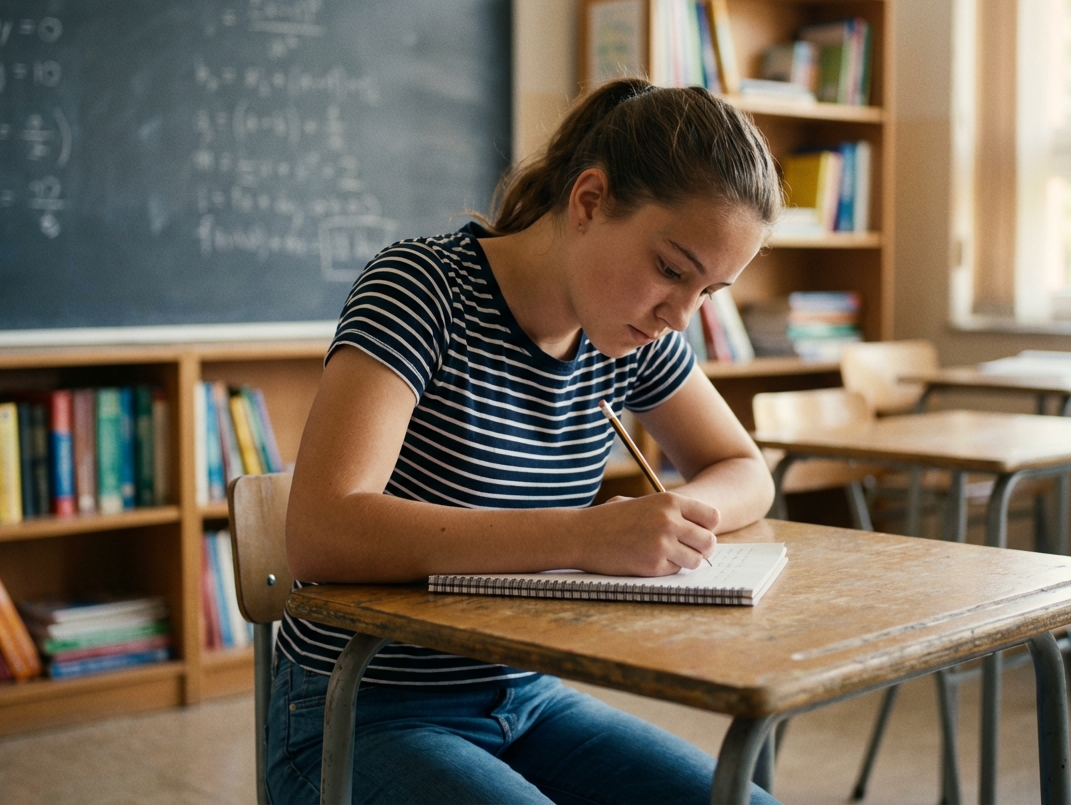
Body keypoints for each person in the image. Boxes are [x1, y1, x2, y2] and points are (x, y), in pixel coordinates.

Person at [268, 78, 783, 805]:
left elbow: (742, 468)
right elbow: (321, 531)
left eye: (709, 293)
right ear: (589, 201)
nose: (680, 315)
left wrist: (675, 518)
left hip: (526, 699)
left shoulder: (628, 334)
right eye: (671, 270)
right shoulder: (423, 288)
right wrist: (584, 536)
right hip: (357, 709)